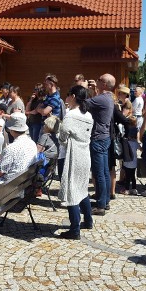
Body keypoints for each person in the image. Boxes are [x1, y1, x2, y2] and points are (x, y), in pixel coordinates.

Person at [58, 85, 94, 240]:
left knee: (72, 190)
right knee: (82, 188)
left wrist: (64, 142)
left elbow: (63, 134)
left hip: (71, 155)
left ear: (73, 96)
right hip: (85, 154)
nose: (66, 98)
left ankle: (75, 229)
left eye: (67, 95)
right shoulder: (89, 115)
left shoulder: (70, 114)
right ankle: (89, 219)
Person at [85, 74, 114, 215]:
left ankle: (101, 206)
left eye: (98, 79)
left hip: (97, 138)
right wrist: (94, 91)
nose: (96, 81)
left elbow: (84, 104)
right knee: (104, 172)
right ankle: (105, 201)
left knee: (99, 173)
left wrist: (84, 89)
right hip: (104, 137)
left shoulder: (102, 99)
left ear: (103, 83)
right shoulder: (108, 97)